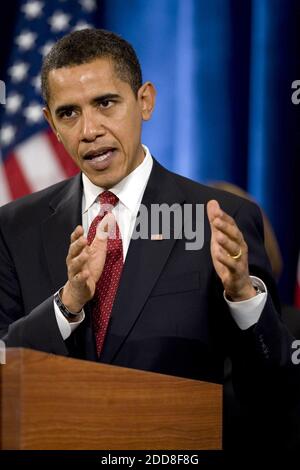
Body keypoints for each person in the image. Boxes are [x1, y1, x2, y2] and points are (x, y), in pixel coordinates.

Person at [0, 28, 298, 451]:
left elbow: (272, 394)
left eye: (106, 103)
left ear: (145, 101)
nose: (89, 130)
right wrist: (67, 305)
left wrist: (243, 296)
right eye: (69, 113)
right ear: (51, 122)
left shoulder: (219, 219)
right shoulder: (14, 228)